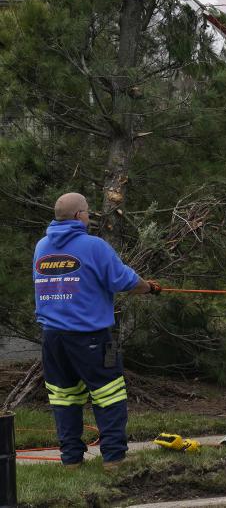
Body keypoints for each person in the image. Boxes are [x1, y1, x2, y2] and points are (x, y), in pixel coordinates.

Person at [32, 192, 161, 469]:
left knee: (64, 398)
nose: (89, 216)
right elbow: (125, 280)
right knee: (110, 393)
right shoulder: (94, 246)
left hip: (52, 339)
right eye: (88, 212)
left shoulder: (42, 247)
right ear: (79, 216)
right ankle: (114, 459)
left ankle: (71, 461)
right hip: (93, 337)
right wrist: (149, 287)